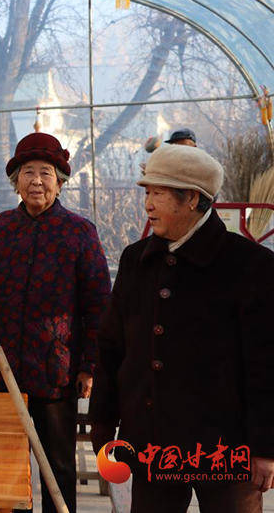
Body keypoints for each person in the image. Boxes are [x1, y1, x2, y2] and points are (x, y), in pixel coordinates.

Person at [89, 143, 274, 512]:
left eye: (158, 193)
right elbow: (112, 348)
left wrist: (266, 448)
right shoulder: (136, 261)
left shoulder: (251, 266)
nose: (148, 204)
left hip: (225, 445)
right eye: (147, 192)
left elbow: (266, 365)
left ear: (191, 199)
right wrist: (103, 425)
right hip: (153, 440)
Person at [0, 132, 111, 513]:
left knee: (57, 467)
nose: (36, 181)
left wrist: (90, 365)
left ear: (59, 182)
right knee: (0, 467)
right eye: (28, 172)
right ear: (16, 182)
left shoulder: (78, 232)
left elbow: (98, 306)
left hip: (54, 373)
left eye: (46, 173)